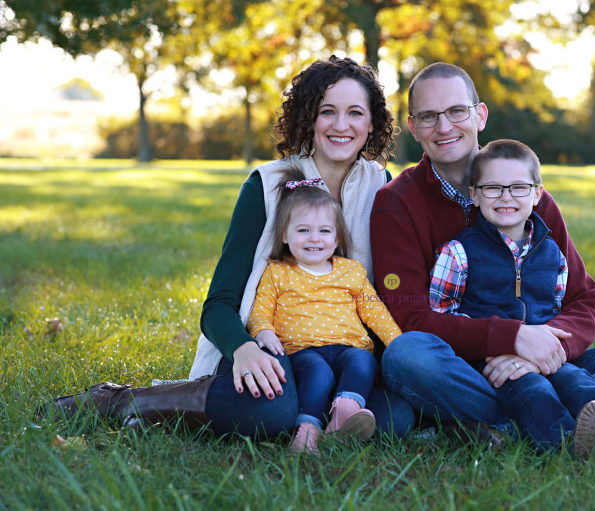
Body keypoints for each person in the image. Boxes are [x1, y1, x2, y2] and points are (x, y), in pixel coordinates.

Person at [48, 56, 419, 440]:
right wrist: (243, 348)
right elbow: (219, 304)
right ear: (309, 118)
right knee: (272, 408)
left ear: (371, 123)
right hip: (273, 345)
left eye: (355, 112)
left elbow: (382, 295)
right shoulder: (267, 186)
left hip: (344, 354)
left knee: (396, 417)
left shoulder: (380, 186)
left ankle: (319, 414)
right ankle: (123, 400)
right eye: (327, 111)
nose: (341, 125)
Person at [372, 62, 595, 451]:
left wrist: (539, 355)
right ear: (413, 126)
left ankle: (508, 426)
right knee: (407, 355)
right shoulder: (395, 204)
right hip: (464, 368)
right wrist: (512, 338)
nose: (444, 126)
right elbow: (410, 318)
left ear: (480, 115)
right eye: (428, 116)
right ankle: (572, 420)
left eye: (456, 111)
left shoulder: (529, 197)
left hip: (546, 363)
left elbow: (582, 298)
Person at [429, 139, 595, 456]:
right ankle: (568, 444)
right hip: (490, 364)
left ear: (537, 194)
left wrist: (537, 352)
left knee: (580, 383)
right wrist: (501, 345)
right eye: (492, 188)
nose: (506, 197)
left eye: (519, 188)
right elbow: (441, 315)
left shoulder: (552, 253)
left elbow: (562, 308)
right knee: (534, 390)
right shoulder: (458, 253)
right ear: (474, 195)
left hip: (544, 356)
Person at [246, 169, 403, 453]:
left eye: (325, 231)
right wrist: (263, 330)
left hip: (349, 346)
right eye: (303, 230)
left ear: (337, 237)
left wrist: (396, 341)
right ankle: (307, 432)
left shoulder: (351, 271)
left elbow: (374, 310)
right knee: (318, 373)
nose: (314, 239)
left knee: (363, 362)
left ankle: (345, 411)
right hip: (302, 350)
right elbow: (261, 308)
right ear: (284, 235)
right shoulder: (278, 271)